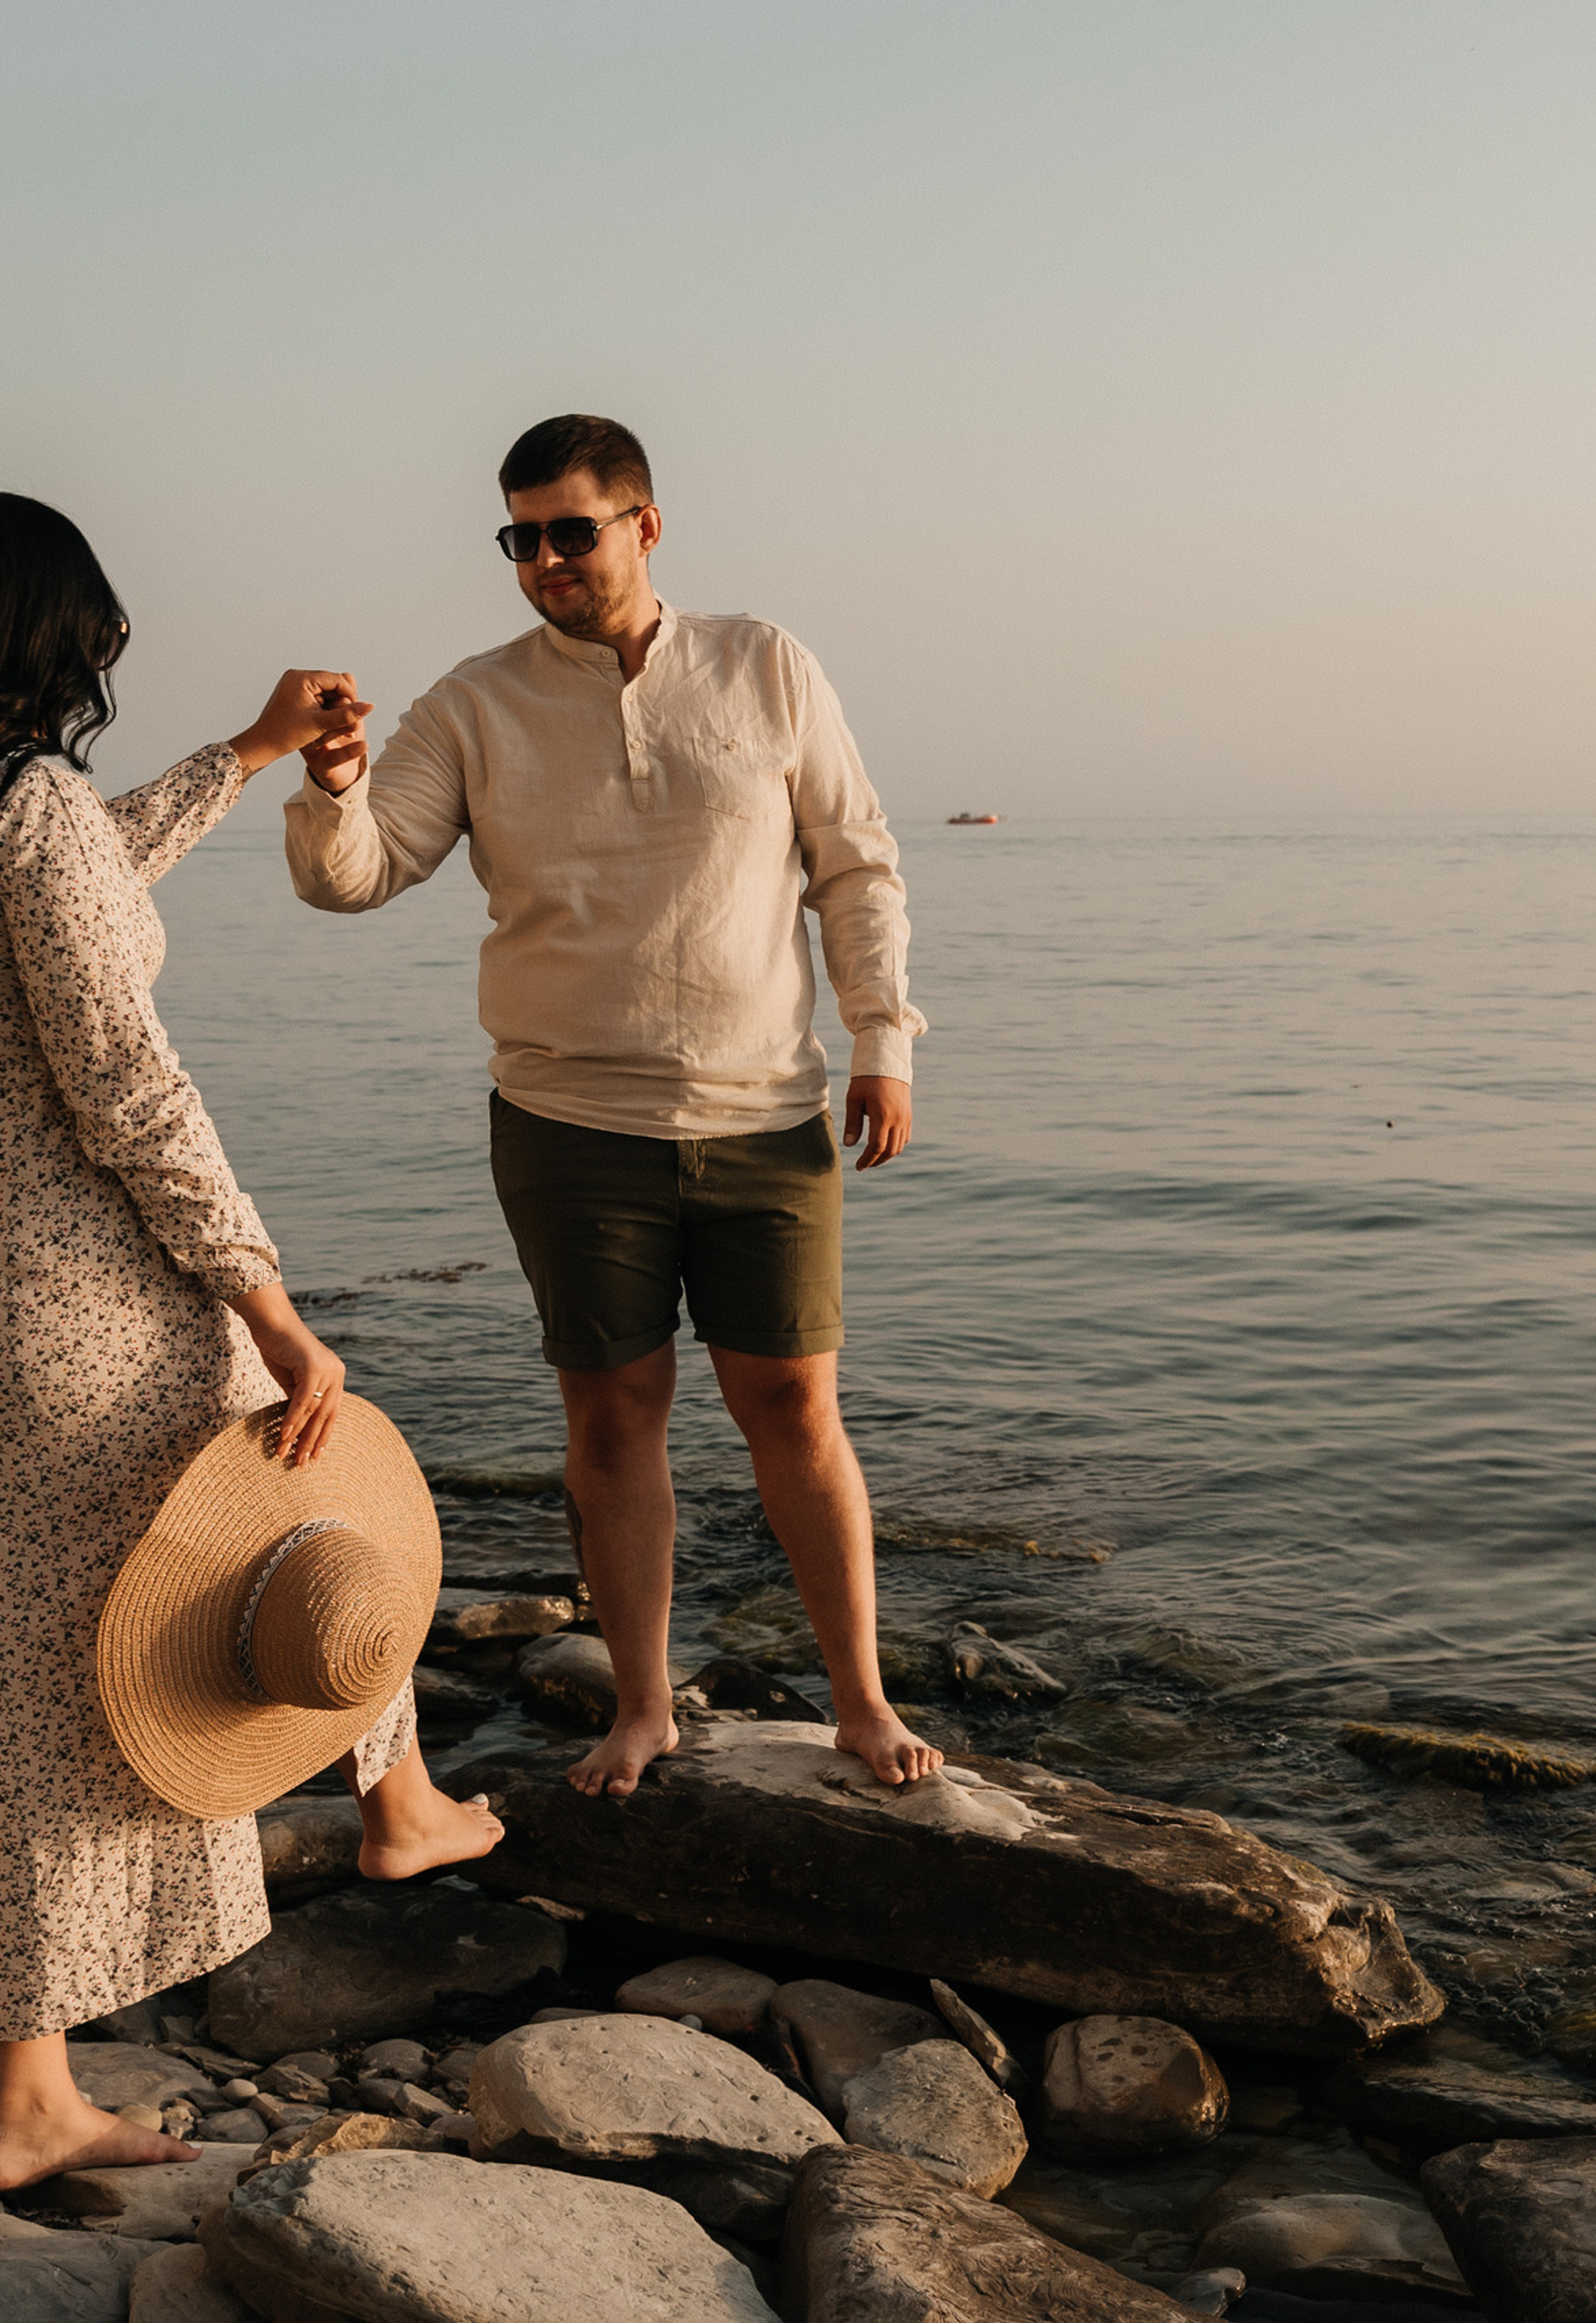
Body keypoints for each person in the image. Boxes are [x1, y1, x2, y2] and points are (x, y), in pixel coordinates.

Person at [0, 488, 501, 2191]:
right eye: (89, 634)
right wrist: (270, 1301)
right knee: (320, 1496)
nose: (100, 658)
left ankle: (20, 2096)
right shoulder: (17, 808)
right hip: (87, 1296)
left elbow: (85, 867)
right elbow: (125, 1082)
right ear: (31, 632)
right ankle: (396, 1808)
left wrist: (244, 756)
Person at [286, 415, 940, 1802]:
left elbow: (855, 864)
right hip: (567, 1120)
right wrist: (331, 787)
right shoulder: (472, 703)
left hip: (767, 1109)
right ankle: (641, 1707)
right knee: (611, 1419)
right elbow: (359, 874)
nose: (541, 561)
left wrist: (883, 1037)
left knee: (794, 1410)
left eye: (568, 531)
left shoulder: (764, 663)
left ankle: (863, 1704)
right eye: (519, 538)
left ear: (645, 525)